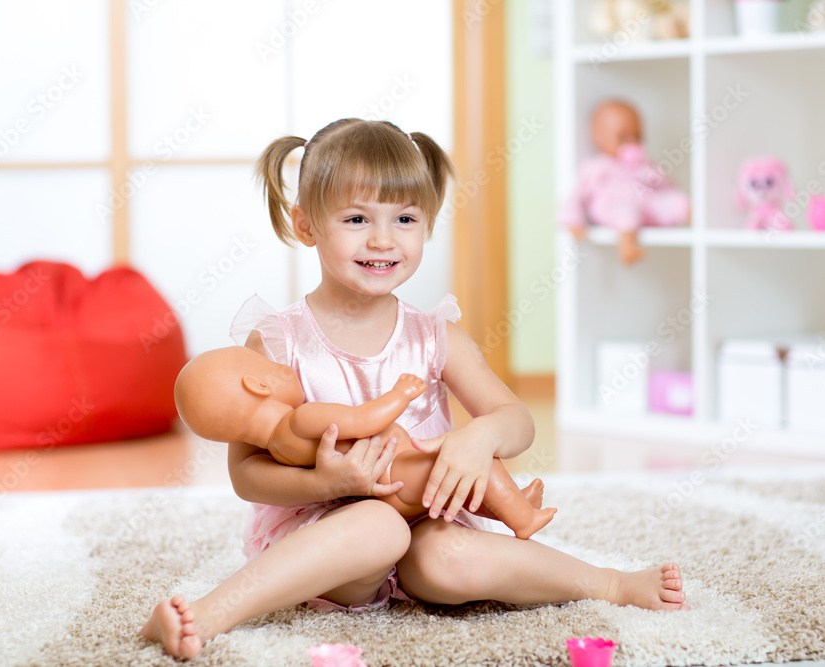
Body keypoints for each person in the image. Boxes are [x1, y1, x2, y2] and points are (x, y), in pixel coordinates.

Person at [141, 118, 687, 660]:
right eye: (356, 218)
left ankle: (610, 584)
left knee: (446, 558)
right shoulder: (281, 342)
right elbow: (246, 475)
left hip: (428, 516)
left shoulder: (434, 335)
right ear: (305, 225)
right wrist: (325, 483)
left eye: (405, 218)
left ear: (426, 224)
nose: (383, 239)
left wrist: (479, 439)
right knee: (379, 528)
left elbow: (516, 420)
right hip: (337, 534)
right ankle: (207, 614)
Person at [172, 345, 555, 537]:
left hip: (379, 494)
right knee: (477, 462)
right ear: (258, 386)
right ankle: (521, 519)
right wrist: (400, 395)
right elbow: (361, 418)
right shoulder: (300, 418)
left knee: (449, 494)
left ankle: (512, 504)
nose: (285, 369)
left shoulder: (277, 447)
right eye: (275, 370)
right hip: (395, 468)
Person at [558, 99, 690, 264]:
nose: (632, 143)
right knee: (627, 213)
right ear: (597, 138)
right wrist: (573, 221)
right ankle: (627, 246)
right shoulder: (596, 167)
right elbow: (576, 196)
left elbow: (664, 183)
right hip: (614, 207)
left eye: (637, 136)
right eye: (622, 138)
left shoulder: (643, 164)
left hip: (646, 205)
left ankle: (699, 223)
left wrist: (668, 189)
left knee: (678, 201)